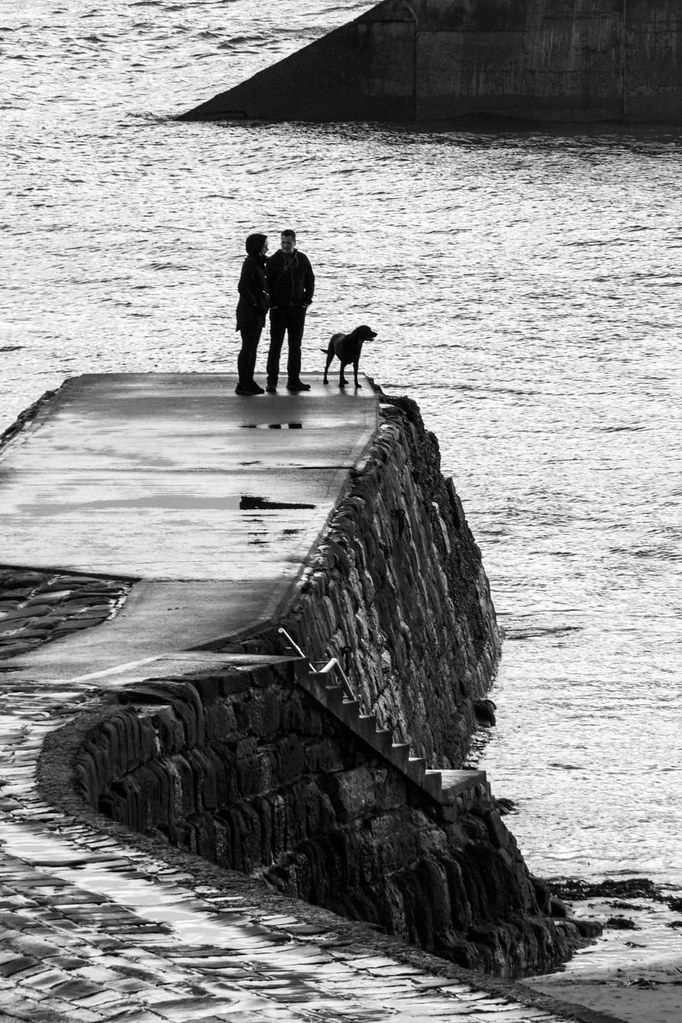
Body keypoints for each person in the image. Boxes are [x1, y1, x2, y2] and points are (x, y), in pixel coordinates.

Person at [265, 229, 315, 392]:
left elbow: (310, 279)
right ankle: (272, 380)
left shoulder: (302, 259)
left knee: (295, 347)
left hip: (297, 310)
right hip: (279, 310)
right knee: (275, 346)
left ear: (294, 242)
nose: (285, 245)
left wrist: (307, 301)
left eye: (288, 243)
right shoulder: (273, 261)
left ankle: (293, 379)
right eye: (283, 242)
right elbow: (268, 285)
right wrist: (272, 304)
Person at [235, 233, 269, 395]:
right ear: (257, 246)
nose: (267, 247)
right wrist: (255, 302)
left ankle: (248, 380)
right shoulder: (250, 262)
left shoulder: (258, 261)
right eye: (264, 245)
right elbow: (242, 287)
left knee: (252, 347)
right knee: (247, 347)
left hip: (257, 311)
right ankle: (243, 382)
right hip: (249, 311)